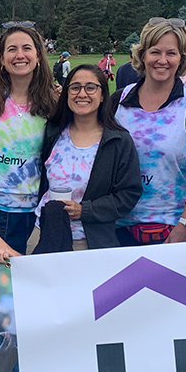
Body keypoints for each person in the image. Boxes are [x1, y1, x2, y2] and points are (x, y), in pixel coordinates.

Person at [113, 18, 186, 246]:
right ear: (142, 55)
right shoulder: (118, 101)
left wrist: (185, 226)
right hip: (115, 225)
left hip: (168, 230)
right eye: (155, 52)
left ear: (181, 58)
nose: (162, 60)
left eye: (171, 53)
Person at [0, 24, 59, 253]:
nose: (20, 55)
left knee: (13, 274)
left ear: (38, 56)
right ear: (1, 59)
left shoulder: (54, 100)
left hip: (24, 209)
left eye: (27, 48)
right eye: (12, 49)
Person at [30, 63, 142, 252]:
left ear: (102, 95)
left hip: (89, 243)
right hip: (44, 235)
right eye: (75, 87)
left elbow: (128, 194)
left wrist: (85, 210)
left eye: (91, 87)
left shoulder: (118, 141)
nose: (82, 94)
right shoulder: (53, 132)